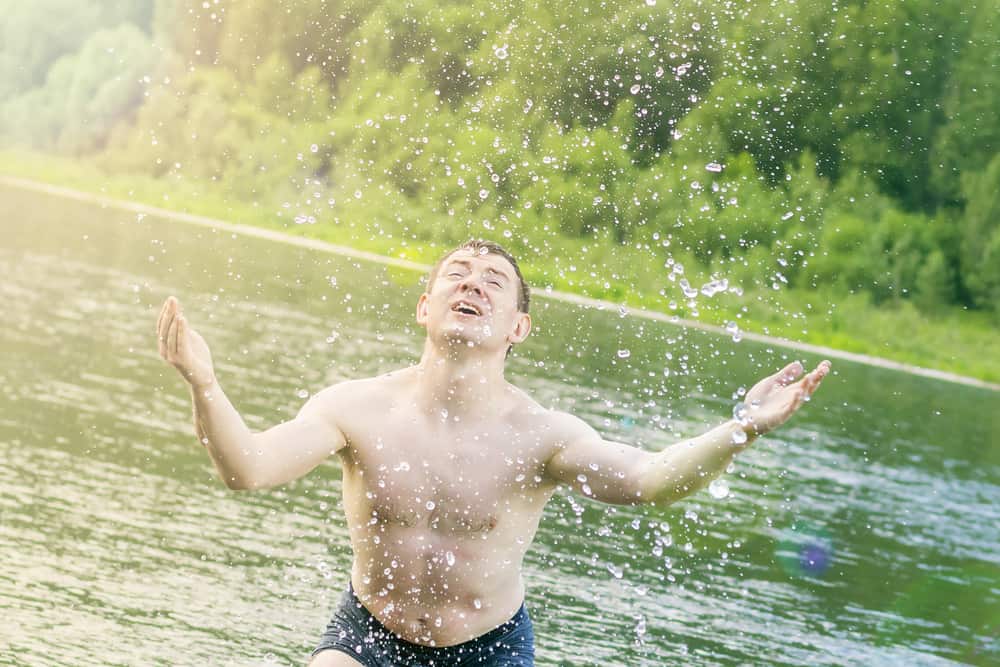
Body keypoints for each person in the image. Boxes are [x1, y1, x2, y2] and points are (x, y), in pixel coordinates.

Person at [156, 239, 831, 666]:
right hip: (367, 635)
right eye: (457, 273)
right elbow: (246, 469)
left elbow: (650, 480)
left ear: (518, 327)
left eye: (491, 281)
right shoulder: (354, 407)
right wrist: (206, 383)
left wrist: (742, 426)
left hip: (487, 648)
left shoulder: (542, 436)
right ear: (425, 307)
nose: (471, 283)